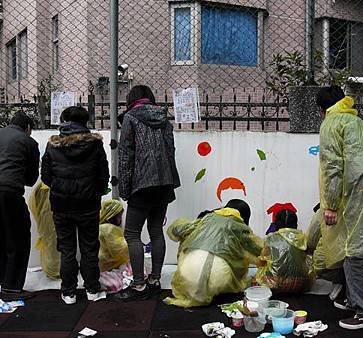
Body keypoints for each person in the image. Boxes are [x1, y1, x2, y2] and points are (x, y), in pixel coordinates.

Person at [316, 86, 363, 330]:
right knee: (362, 244)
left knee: (353, 250)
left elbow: (333, 167)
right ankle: (355, 299)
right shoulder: (354, 120)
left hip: (356, 189)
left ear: (321, 110)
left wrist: (330, 205)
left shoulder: (331, 123)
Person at [115, 85, 180, 301]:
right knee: (155, 231)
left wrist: (124, 189)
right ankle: (155, 279)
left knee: (132, 234)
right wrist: (171, 181)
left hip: (141, 185)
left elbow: (125, 156)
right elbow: (170, 151)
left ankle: (139, 285)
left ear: (131, 99)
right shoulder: (164, 119)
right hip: (164, 183)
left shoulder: (130, 118)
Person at [41, 106, 110, 305]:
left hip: (61, 205)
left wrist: (59, 187)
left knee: (67, 249)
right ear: (85, 121)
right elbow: (103, 175)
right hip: (88, 204)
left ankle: (69, 293)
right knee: (90, 247)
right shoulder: (95, 144)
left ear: (63, 121)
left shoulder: (53, 145)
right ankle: (92, 289)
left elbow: (46, 176)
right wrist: (94, 191)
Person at [165, 199, 263, 308]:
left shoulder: (206, 218)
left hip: (186, 273)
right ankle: (212, 290)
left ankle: (197, 292)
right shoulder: (240, 227)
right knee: (237, 258)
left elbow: (177, 230)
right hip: (218, 278)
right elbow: (260, 251)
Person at [0, 112, 39, 300]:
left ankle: (2, 282)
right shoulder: (28, 142)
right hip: (9, 193)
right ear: (28, 128)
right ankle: (11, 289)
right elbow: (31, 179)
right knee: (18, 239)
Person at [256, 209, 314, 293]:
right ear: (296, 224)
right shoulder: (303, 239)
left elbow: (261, 262)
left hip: (275, 284)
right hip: (302, 285)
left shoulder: (269, 239)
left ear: (276, 224)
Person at [28, 181, 61, 280]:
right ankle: (55, 270)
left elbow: (32, 202)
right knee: (52, 242)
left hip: (49, 218)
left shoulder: (44, 185)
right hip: (49, 218)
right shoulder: (44, 187)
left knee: (52, 243)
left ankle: (55, 270)